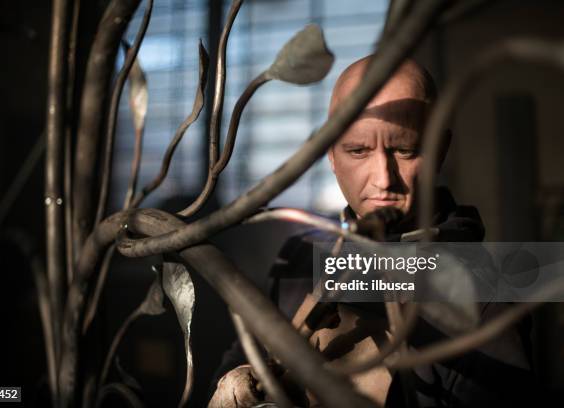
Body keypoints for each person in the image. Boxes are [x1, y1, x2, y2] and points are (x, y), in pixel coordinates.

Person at [208, 57, 536, 407]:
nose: (383, 180)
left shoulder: (486, 294)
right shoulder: (301, 258)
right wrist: (238, 380)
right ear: (330, 153)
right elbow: (241, 358)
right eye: (358, 150)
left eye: (405, 150)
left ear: (440, 150)